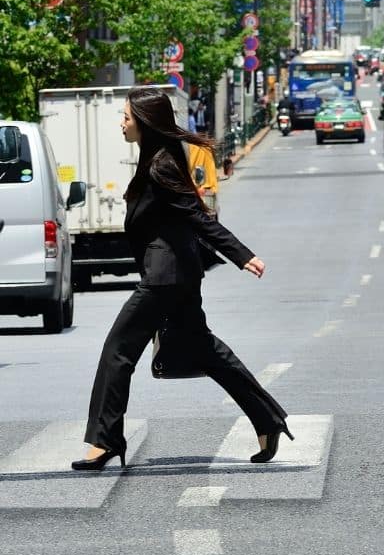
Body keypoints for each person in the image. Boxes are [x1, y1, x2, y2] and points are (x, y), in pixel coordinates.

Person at [72, 87, 291, 471]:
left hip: (164, 277)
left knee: (117, 352)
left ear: (144, 122)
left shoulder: (160, 165)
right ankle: (267, 421)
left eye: (126, 117)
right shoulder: (155, 158)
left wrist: (242, 255)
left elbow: (199, 217)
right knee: (206, 350)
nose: (121, 124)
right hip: (177, 274)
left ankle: (104, 440)